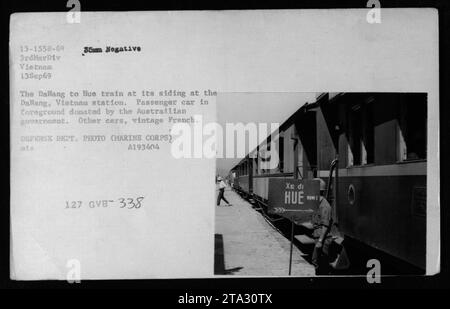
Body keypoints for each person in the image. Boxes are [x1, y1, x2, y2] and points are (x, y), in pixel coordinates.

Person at [311, 178, 333, 275]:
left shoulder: (325, 206)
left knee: (320, 263)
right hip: (318, 236)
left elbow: (325, 225)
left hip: (323, 239)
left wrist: (320, 241)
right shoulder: (317, 203)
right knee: (317, 262)